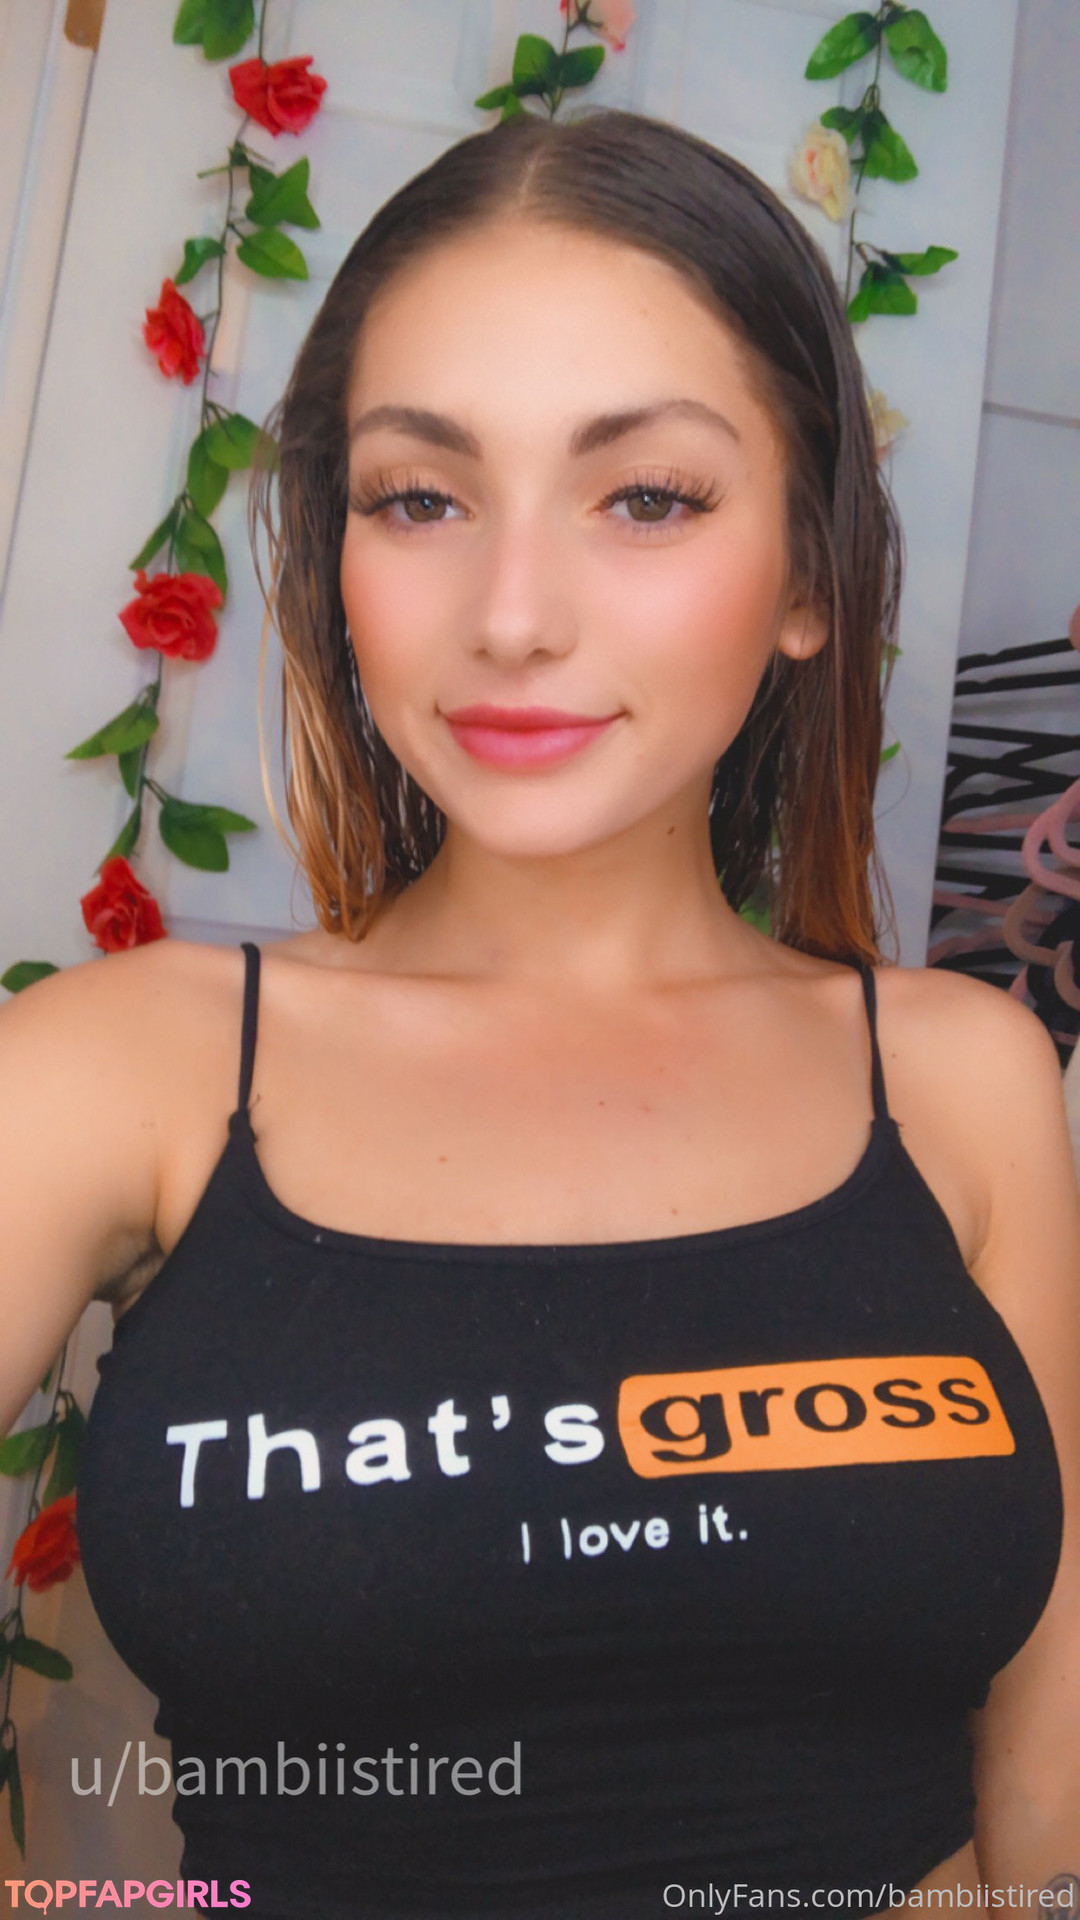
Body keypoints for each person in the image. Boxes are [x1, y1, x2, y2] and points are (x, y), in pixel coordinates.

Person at [1, 107, 1077, 1919]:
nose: (511, 616)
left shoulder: (966, 1078)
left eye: (647, 497)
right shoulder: (120, 1074)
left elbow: (1047, 1790)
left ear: (810, 577)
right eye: (420, 498)